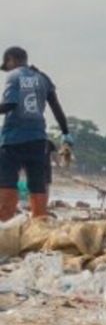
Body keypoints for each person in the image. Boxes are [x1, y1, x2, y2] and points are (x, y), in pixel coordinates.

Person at [0, 47, 72, 221]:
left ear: (11, 59)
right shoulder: (43, 78)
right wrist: (66, 134)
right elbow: (56, 107)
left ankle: (3, 225)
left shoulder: (14, 76)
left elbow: (9, 105)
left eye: (7, 65)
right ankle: (39, 221)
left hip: (12, 140)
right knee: (37, 185)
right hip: (38, 140)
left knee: (7, 182)